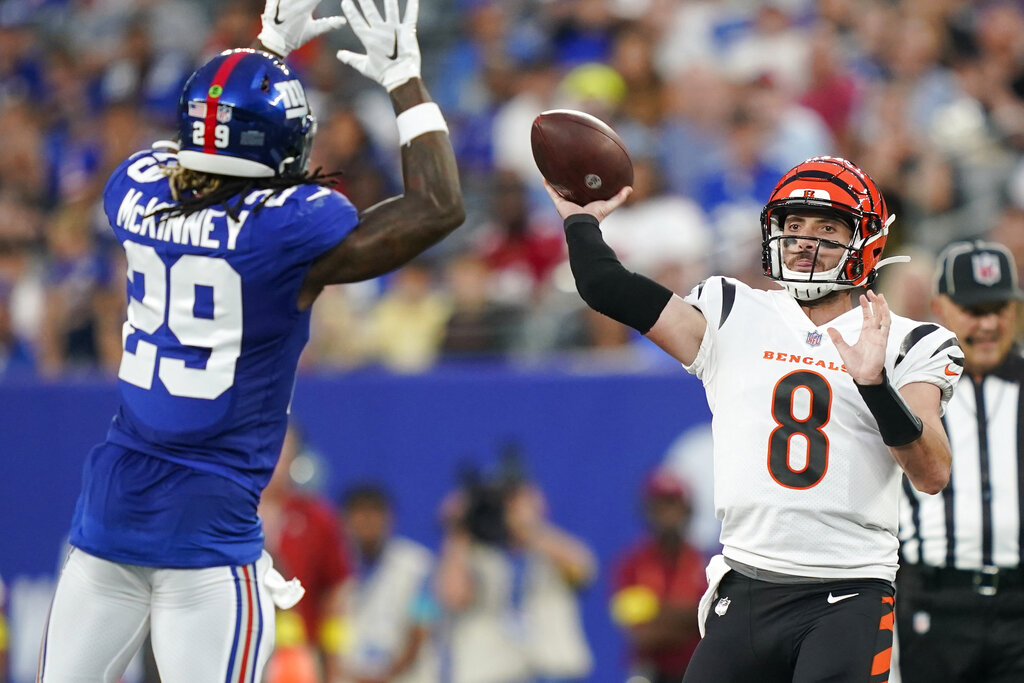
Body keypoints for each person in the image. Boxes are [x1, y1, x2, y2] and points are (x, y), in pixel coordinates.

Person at [37, 0, 464, 679]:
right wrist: (405, 80)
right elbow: (438, 206)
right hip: (209, 542)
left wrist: (265, 48)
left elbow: (204, 153)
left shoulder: (134, 191)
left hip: (107, 521)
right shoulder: (285, 232)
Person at [543, 155, 963, 682]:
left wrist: (875, 387)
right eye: (793, 226)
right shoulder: (732, 311)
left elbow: (932, 472)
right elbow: (607, 286)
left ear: (866, 240)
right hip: (746, 585)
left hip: (849, 590)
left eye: (826, 228)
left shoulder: (907, 340)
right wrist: (580, 220)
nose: (805, 241)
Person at [896, 240, 1024, 683]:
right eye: (973, 309)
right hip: (934, 604)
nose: (988, 324)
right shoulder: (909, 387)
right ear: (940, 308)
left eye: (999, 307)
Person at [435, 454, 595, 683]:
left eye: (515, 497)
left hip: (554, 672)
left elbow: (582, 571)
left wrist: (527, 528)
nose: (508, 506)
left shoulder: (552, 548)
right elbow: (453, 597)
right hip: (493, 674)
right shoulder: (475, 555)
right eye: (503, 499)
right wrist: (458, 530)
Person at [260, 423, 352, 683]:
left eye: (283, 453)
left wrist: (334, 661)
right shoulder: (221, 514)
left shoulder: (316, 518)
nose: (274, 461)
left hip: (296, 658)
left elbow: (337, 593)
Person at [610, 469, 706, 683]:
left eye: (673, 505)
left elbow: (708, 623)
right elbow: (641, 634)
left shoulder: (707, 566)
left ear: (687, 510)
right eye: (660, 506)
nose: (667, 515)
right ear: (647, 511)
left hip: (694, 670)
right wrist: (689, 619)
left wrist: (656, 610)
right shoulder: (630, 566)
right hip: (650, 671)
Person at [337, 483, 439, 683]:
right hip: (346, 676)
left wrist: (386, 675)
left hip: (403, 675)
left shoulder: (419, 565)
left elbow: (422, 625)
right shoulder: (333, 566)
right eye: (359, 512)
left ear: (389, 518)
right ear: (344, 519)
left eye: (375, 512)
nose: (367, 520)